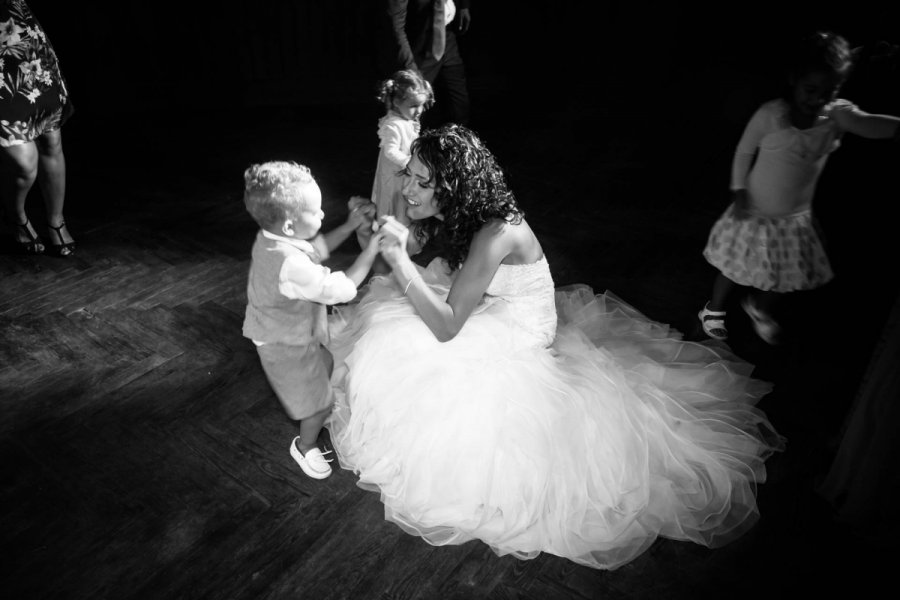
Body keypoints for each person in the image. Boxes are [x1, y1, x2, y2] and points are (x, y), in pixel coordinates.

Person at [325, 125, 785, 570]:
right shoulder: (459, 210)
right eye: (410, 173)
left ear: (454, 188)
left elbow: (447, 327)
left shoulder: (495, 231)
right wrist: (373, 230)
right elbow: (413, 241)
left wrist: (399, 259)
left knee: (426, 356)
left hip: (522, 327)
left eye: (424, 182)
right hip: (491, 303)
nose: (408, 187)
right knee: (398, 332)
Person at [698, 31, 900, 344]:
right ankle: (714, 308)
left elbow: (869, 123)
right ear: (794, 80)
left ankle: (759, 307)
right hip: (754, 211)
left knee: (784, 273)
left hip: (794, 218)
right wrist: (739, 190)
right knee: (734, 267)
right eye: (811, 89)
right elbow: (744, 151)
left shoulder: (836, 116)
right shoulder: (772, 115)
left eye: (829, 91)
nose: (819, 98)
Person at [241, 161, 378, 480]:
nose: (322, 215)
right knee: (316, 402)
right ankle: (305, 444)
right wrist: (371, 250)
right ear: (290, 225)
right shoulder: (292, 265)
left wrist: (348, 227)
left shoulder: (271, 237)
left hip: (278, 327)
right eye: (315, 212)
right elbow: (342, 289)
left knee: (327, 360)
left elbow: (313, 251)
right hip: (283, 344)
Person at [0, 0, 75, 256]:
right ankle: (17, 218)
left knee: (51, 141)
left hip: (26, 41)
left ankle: (56, 221)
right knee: (24, 161)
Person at [383, 0, 471, 127]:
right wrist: (412, 69)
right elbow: (396, 28)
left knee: (459, 108)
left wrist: (464, 6)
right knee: (412, 111)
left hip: (447, 38)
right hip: (417, 49)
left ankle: (457, 145)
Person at [371, 69, 434, 226]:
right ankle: (390, 230)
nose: (419, 110)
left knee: (404, 199)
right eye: (413, 106)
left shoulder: (406, 121)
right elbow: (390, 151)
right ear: (397, 103)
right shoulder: (393, 125)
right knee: (393, 200)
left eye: (421, 105)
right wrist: (410, 163)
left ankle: (404, 227)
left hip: (404, 172)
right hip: (394, 174)